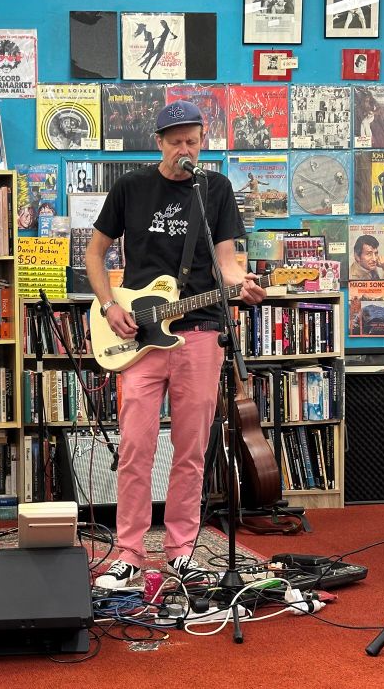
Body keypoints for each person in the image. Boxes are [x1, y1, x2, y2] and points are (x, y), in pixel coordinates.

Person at [85, 101, 266, 589]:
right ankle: (128, 549)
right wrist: (108, 306)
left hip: (202, 330)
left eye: (193, 141)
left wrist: (241, 283)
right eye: (176, 141)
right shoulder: (131, 187)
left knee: (190, 448)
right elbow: (95, 252)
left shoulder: (216, 190)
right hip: (139, 335)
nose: (185, 150)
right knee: (136, 445)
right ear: (159, 142)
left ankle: (182, 546)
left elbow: (227, 262)